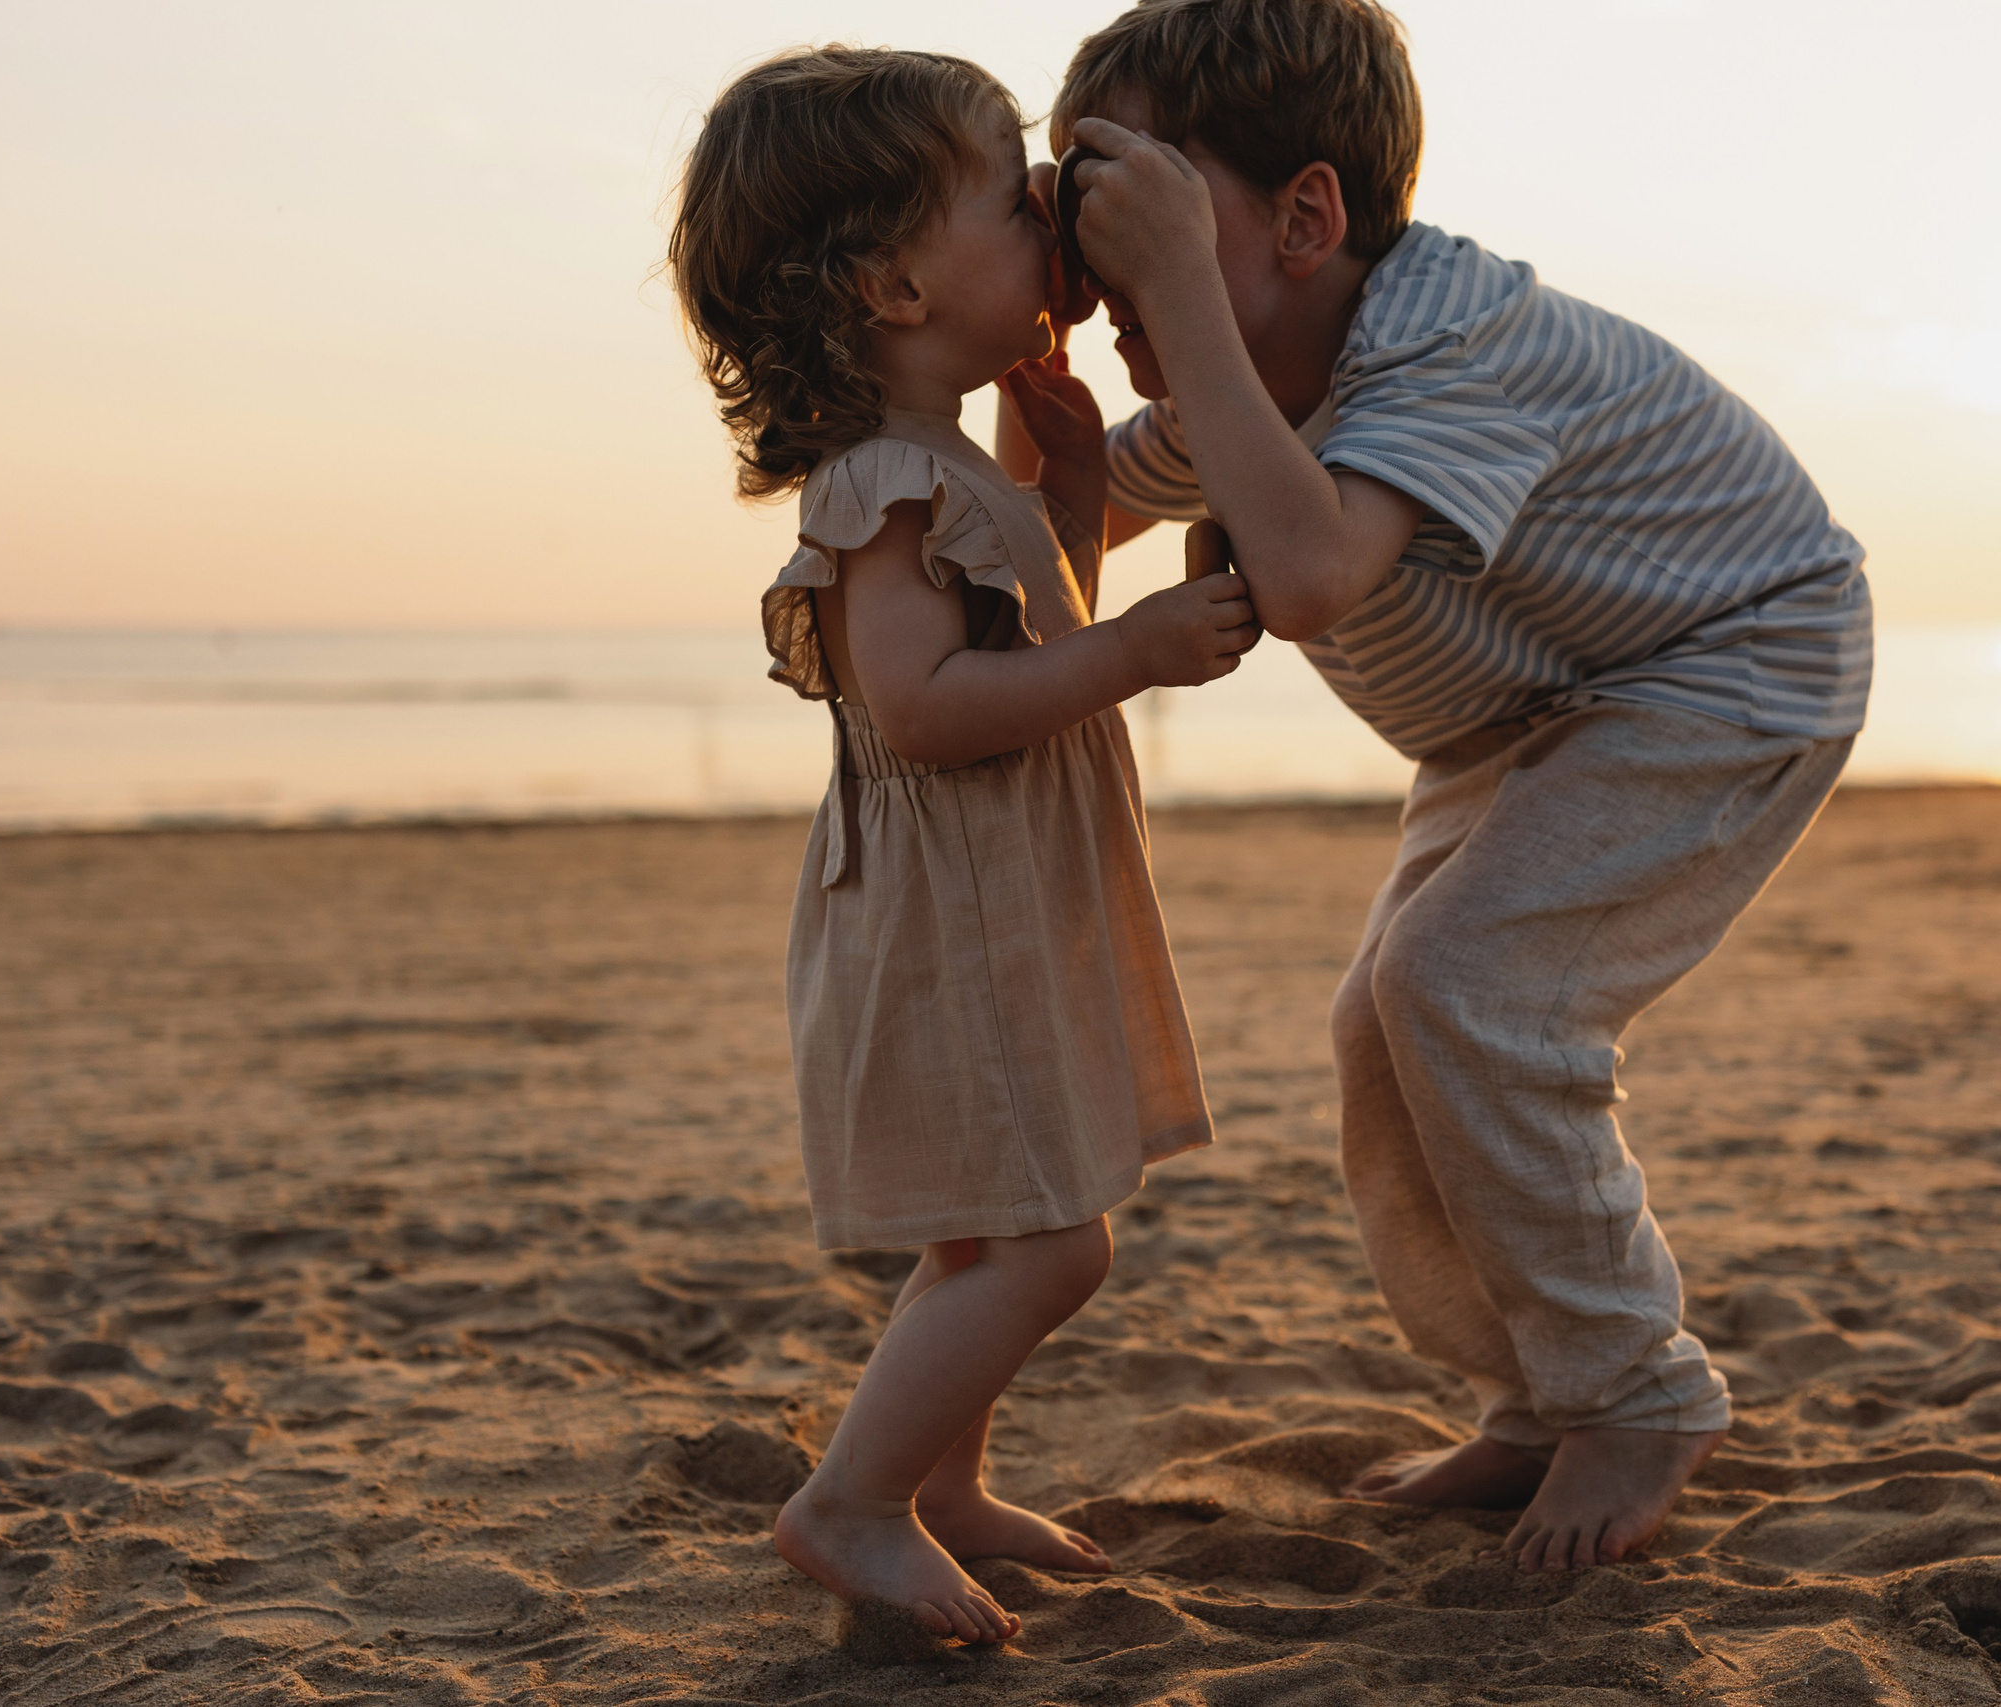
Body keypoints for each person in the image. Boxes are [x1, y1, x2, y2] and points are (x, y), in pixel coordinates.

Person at [1026, 0, 1872, 1574]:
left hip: (1725, 659)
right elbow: (1055, 541)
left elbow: (1309, 575)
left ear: (1307, 215)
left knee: (1468, 981)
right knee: (1388, 1023)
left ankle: (1638, 1391)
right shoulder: (1236, 383)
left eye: (1147, 204)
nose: (1113, 256)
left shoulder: (1445, 337)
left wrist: (1182, 318)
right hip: (1521, 717)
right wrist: (1036, 372)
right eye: (1086, 211)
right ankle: (1541, 1394)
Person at [668, 45, 1260, 1643]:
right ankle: (848, 1500)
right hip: (957, 917)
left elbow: (1019, 622)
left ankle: (938, 1485)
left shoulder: (946, 475)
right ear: (895, 285)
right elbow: (929, 706)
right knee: (1056, 1244)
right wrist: (1134, 648)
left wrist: (1068, 491)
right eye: (1014, 196)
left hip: (991, 901)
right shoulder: (882, 492)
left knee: (986, 1221)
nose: (1053, 217)